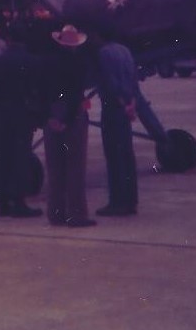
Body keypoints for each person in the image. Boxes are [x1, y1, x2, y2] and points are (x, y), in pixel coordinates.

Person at [0, 22, 44, 218]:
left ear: (8, 39)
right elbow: (38, 90)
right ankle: (19, 202)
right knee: (21, 156)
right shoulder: (33, 61)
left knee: (4, 156)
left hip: (2, 113)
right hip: (23, 113)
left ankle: (3, 202)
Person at [42, 24, 96, 227]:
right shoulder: (78, 63)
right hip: (72, 116)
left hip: (51, 115)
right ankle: (77, 214)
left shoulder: (47, 62)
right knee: (75, 167)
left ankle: (55, 213)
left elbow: (42, 93)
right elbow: (75, 94)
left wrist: (50, 117)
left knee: (54, 167)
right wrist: (66, 119)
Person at [94, 35, 140, 217]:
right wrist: (131, 105)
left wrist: (121, 103)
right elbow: (134, 80)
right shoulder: (125, 50)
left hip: (113, 108)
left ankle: (117, 201)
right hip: (127, 106)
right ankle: (130, 200)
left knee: (114, 155)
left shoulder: (103, 54)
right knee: (127, 154)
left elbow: (111, 83)